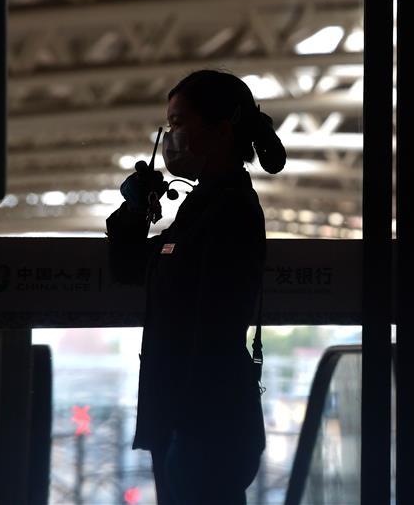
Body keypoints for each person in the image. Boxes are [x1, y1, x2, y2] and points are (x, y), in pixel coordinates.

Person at [105, 69, 287, 504]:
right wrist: (134, 210)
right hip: (188, 423)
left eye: (179, 122)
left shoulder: (230, 210)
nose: (170, 137)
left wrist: (187, 429)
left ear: (221, 130)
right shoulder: (201, 208)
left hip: (203, 430)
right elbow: (131, 267)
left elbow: (215, 330)